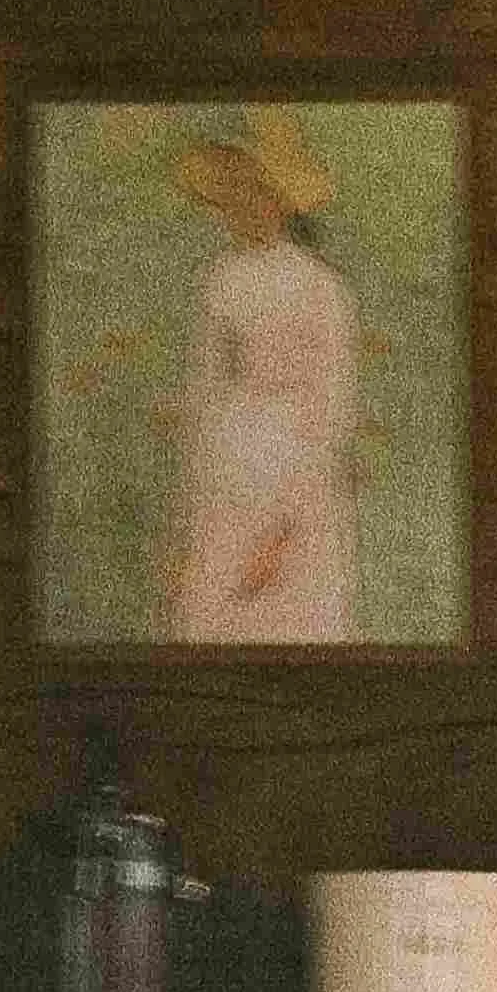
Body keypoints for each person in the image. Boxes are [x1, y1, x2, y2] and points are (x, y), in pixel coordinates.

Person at [163, 134, 363, 644]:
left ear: (280, 199)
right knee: (212, 621)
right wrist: (186, 531)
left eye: (255, 191)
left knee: (290, 625)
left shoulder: (322, 287)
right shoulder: (221, 281)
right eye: (231, 195)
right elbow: (204, 393)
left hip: (297, 483)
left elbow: (333, 409)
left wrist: (282, 533)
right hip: (227, 478)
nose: (240, 206)